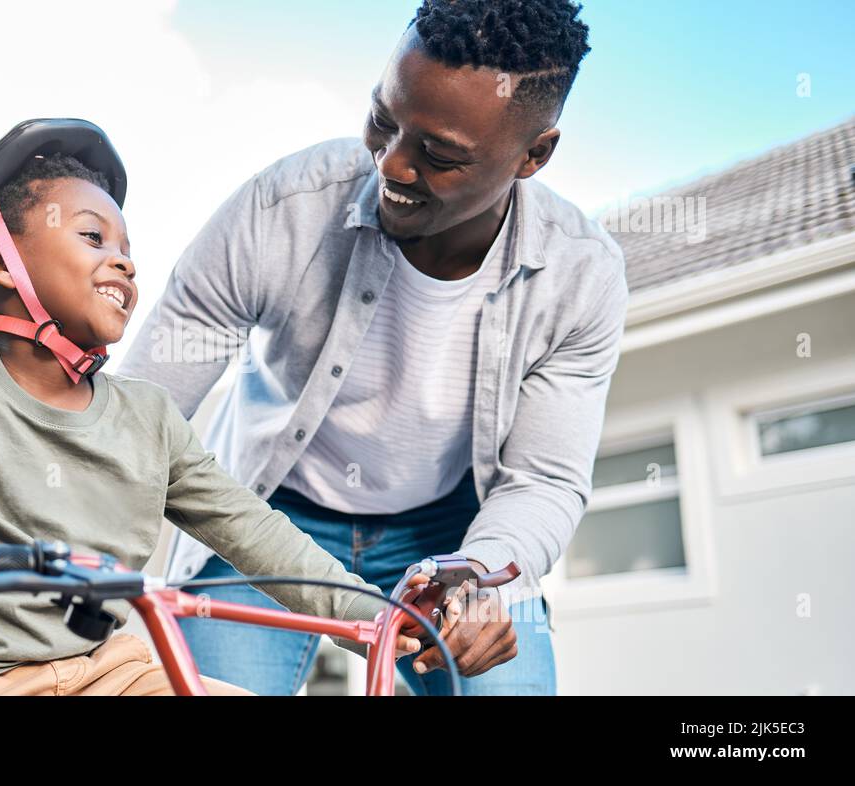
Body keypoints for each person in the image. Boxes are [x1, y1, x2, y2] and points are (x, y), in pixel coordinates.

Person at [119, 0, 628, 696]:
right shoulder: (283, 208)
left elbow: (543, 480)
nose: (390, 164)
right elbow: (139, 414)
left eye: (439, 155)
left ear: (533, 155)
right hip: (265, 512)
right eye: (383, 121)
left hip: (455, 536)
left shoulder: (581, 274)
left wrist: (482, 573)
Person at [0, 119, 422, 696]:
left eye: (126, 248)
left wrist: (373, 617)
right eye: (93, 238)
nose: (126, 263)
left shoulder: (149, 418)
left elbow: (256, 531)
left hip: (109, 671)